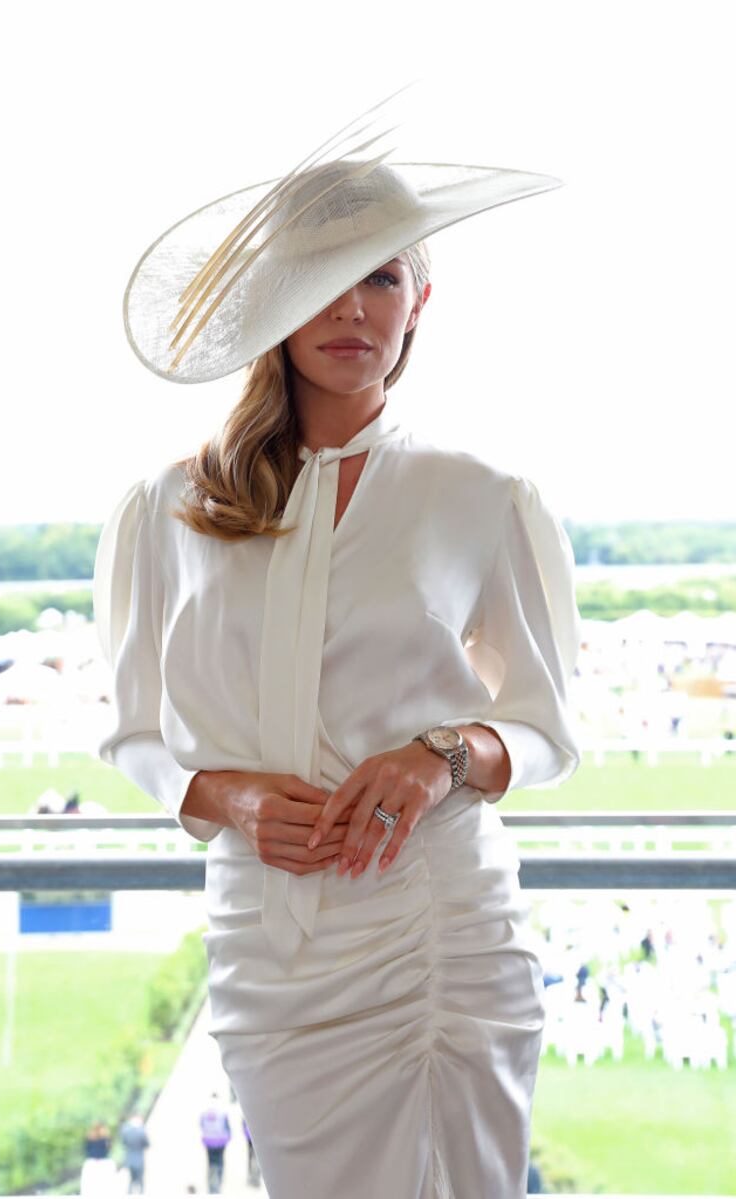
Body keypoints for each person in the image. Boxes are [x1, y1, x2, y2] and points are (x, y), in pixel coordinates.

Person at [94, 86, 582, 1198]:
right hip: (269, 953)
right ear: (272, 295)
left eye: (383, 276)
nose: (354, 307)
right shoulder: (166, 508)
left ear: (421, 301)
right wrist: (229, 796)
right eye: (324, 275)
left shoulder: (483, 495)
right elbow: (134, 734)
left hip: (441, 937)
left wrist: (440, 755)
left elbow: (544, 732)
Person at [199, 1091, 231, 1194]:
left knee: (211, 1162)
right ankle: (218, 1182)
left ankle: (211, 1185)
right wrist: (228, 1137)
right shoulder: (222, 1110)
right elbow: (227, 1127)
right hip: (221, 1141)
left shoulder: (205, 1111)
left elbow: (201, 1125)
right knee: (220, 1161)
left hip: (208, 1141)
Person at [119, 1111, 150, 1194]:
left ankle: (130, 1193)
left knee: (131, 1178)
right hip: (139, 1157)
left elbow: (123, 1142)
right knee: (140, 1179)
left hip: (129, 1156)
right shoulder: (141, 1131)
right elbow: (147, 1144)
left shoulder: (125, 1130)